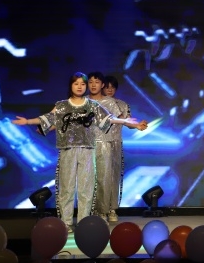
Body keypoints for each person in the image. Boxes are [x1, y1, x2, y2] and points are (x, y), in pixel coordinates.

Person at [12, 72, 147, 232]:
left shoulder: (92, 105)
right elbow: (49, 118)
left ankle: (84, 221)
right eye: (77, 84)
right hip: (68, 150)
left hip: (88, 150)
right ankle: (66, 222)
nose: (80, 87)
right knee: (66, 188)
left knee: (86, 188)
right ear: (71, 86)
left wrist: (128, 122)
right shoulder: (62, 105)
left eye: (83, 84)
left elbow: (108, 119)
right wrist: (28, 121)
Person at [92, 73, 132, 223]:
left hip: (115, 144)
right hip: (98, 143)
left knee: (113, 177)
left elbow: (128, 122)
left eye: (112, 87)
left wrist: (136, 125)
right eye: (107, 87)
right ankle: (99, 209)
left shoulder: (122, 105)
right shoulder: (95, 103)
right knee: (100, 178)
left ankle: (112, 209)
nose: (109, 90)